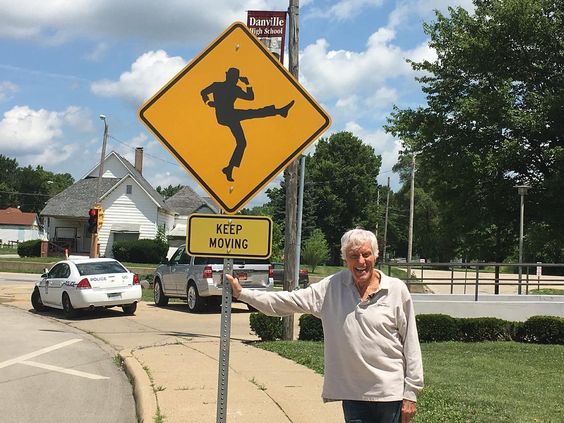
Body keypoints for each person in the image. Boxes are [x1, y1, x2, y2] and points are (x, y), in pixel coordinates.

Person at [226, 228, 423, 423]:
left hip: (390, 394)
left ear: (376, 256)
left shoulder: (396, 290)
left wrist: (411, 392)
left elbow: (411, 342)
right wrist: (243, 294)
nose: (361, 262)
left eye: (366, 254)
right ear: (345, 259)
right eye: (353, 256)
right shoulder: (331, 288)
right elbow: (286, 302)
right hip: (353, 395)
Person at [200, 67, 294, 182]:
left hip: (228, 116)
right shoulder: (221, 86)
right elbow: (203, 92)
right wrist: (247, 84)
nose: (234, 80)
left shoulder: (232, 88)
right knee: (253, 113)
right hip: (227, 116)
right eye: (234, 77)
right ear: (229, 77)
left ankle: (229, 168)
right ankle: (279, 111)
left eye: (235, 78)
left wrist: (209, 102)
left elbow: (250, 98)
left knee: (242, 142)